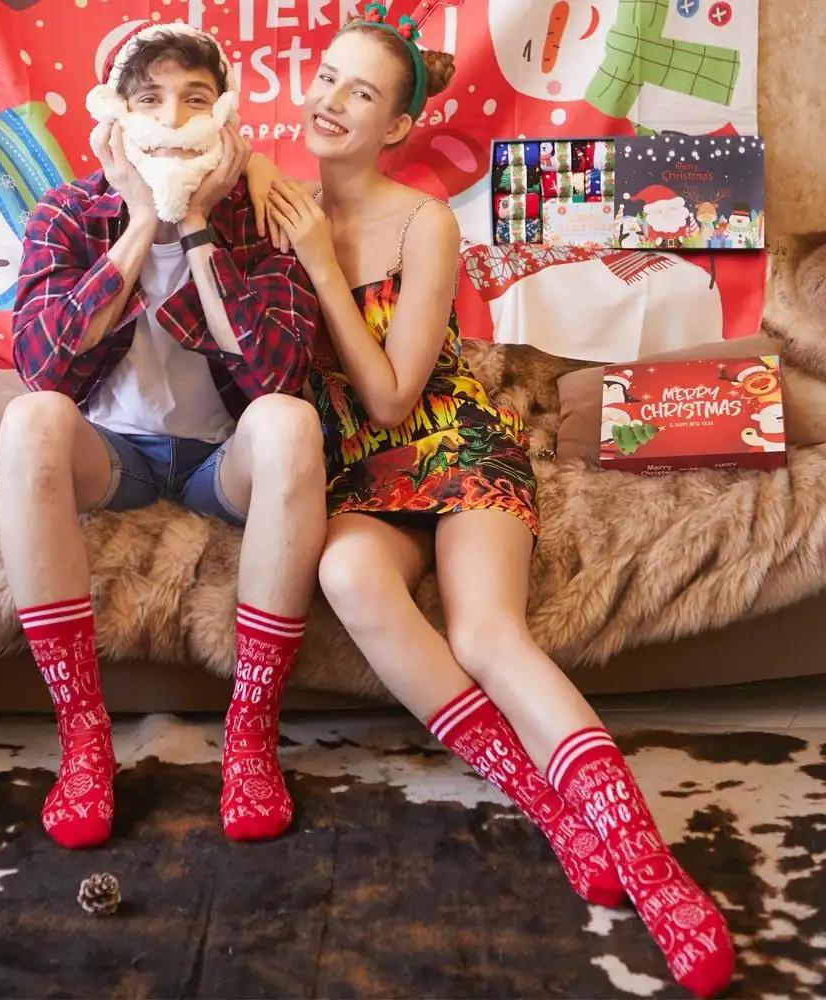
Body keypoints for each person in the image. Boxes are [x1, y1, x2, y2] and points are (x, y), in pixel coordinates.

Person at [251, 7, 734, 997]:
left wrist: (321, 267)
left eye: (360, 92)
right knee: (346, 573)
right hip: (358, 474)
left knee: (486, 633)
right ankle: (548, 805)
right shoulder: (275, 205)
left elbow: (394, 396)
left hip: (451, 441)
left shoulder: (421, 221)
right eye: (326, 77)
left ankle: (653, 869)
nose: (330, 101)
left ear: (395, 125)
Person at [0, 20, 326, 851]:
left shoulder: (263, 216)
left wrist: (200, 226)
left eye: (195, 99)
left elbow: (276, 376)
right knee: (30, 418)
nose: (174, 120)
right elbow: (42, 363)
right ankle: (83, 737)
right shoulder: (68, 211)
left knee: (291, 421)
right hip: (115, 458)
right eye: (151, 100)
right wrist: (144, 220)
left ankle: (251, 735)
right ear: (115, 115)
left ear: (226, 117)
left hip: (222, 461)